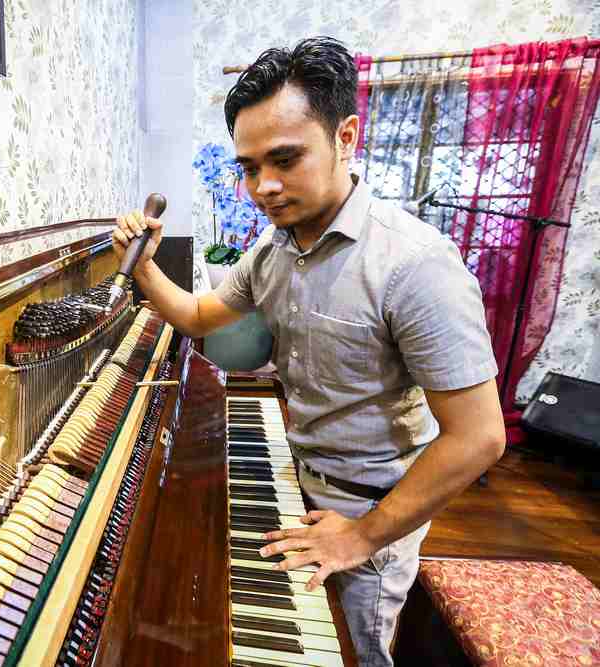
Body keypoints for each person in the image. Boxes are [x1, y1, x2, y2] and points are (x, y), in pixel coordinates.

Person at [112, 36, 505, 667]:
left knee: (357, 651)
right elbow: (197, 315)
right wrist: (144, 265)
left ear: (346, 137)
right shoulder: (273, 250)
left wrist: (363, 537)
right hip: (301, 486)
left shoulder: (415, 264)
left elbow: (478, 438)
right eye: (248, 168)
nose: (263, 186)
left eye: (285, 159)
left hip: (371, 512)